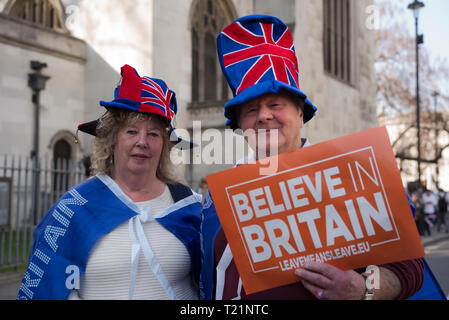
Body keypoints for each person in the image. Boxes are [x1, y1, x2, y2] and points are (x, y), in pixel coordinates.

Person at [200, 15, 425, 300]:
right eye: (250, 109)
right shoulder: (217, 196)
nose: (263, 116)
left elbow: (409, 268)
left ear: (301, 113)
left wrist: (363, 290)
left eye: (275, 104)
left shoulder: (353, 174)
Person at [18, 64, 202, 300]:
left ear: (165, 146)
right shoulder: (75, 209)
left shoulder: (189, 206)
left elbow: (213, 282)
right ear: (112, 140)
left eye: (154, 134)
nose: (142, 142)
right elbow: (47, 288)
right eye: (131, 131)